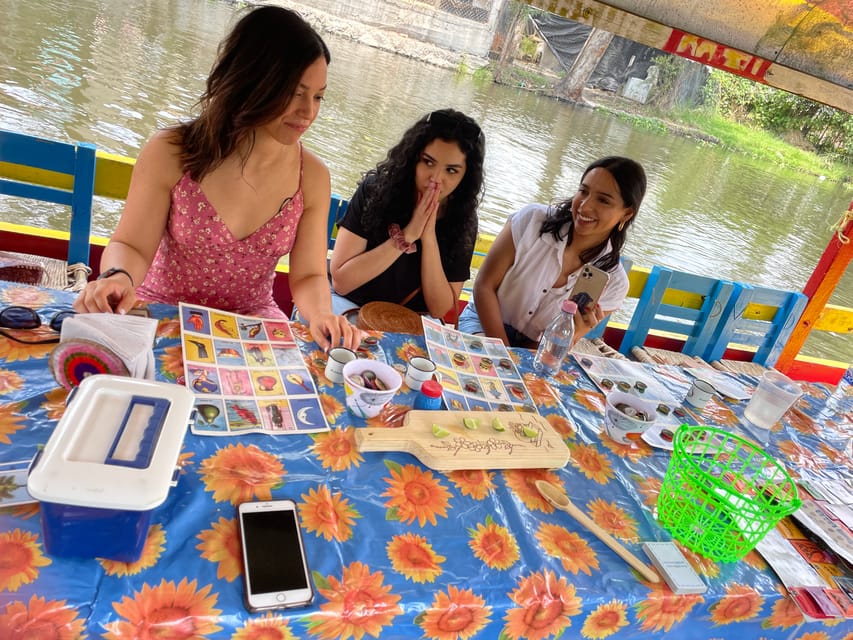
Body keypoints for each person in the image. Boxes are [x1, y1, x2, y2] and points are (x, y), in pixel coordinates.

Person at [73, 5, 359, 351]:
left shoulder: (311, 176)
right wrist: (118, 276)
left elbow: (309, 275)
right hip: (164, 313)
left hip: (250, 323)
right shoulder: (172, 151)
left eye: (318, 97)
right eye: (295, 93)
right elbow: (131, 245)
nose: (308, 112)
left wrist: (320, 314)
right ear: (253, 81)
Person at [458, 156, 646, 347]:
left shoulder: (614, 282)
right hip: (483, 323)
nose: (585, 205)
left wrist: (573, 335)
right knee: (487, 364)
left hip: (537, 348)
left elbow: (551, 351)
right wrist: (505, 354)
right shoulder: (532, 220)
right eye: (583, 191)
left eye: (603, 200)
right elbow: (484, 285)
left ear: (626, 213)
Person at [328, 109, 484, 320]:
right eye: (428, 162)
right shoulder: (375, 191)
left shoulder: (463, 219)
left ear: (466, 176)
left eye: (451, 171)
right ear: (413, 159)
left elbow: (439, 309)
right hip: (349, 306)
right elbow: (341, 282)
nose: (435, 179)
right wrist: (408, 235)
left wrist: (428, 238)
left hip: (410, 321)